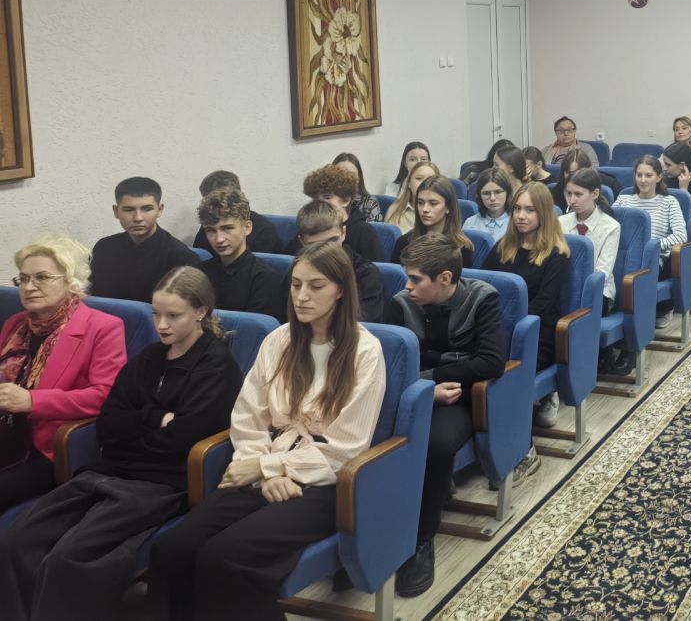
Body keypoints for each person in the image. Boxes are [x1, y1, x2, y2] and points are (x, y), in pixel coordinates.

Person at [148, 242, 387, 621]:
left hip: (324, 483)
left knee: (223, 556)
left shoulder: (365, 351)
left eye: (316, 286)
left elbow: (346, 448)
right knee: (173, 547)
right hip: (263, 464)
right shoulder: (278, 340)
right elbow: (248, 417)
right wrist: (264, 467)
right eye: (296, 285)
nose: (301, 296)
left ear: (341, 290)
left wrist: (270, 468)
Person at [0, 267, 240, 620]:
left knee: (70, 556)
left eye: (173, 316)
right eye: (156, 314)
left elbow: (182, 440)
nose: (161, 325)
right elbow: (109, 423)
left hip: (160, 482)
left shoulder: (216, 367)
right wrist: (157, 418)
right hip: (107, 469)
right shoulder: (150, 357)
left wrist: (138, 424)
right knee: (16, 540)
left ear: (200, 312)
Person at [384, 234, 507, 597]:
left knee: (435, 444)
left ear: (445, 279)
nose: (407, 286)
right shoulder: (400, 304)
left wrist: (431, 374)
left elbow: (491, 362)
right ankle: (375, 531)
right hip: (413, 392)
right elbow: (391, 364)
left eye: (415, 279)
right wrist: (430, 383)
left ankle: (422, 540)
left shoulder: (482, 298)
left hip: (461, 398)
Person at [0, 237, 127, 512]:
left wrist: (32, 401)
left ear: (71, 282)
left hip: (49, 446)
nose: (29, 287)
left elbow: (106, 395)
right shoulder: (15, 324)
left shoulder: (103, 328)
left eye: (42, 277)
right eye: (23, 279)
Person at [483, 182, 569, 430]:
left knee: (498, 369)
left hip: (536, 332)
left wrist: (504, 324)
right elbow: (483, 285)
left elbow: (543, 304)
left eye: (530, 210)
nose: (521, 216)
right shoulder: (503, 246)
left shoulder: (557, 253)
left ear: (544, 213)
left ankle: (542, 397)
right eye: (517, 209)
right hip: (498, 327)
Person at [90, 177, 199, 302]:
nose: (138, 218)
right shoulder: (104, 248)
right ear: (116, 211)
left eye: (147, 209)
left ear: (160, 210)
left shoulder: (181, 257)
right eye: (128, 210)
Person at [616, 155, 688, 332]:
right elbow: (610, 227)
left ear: (658, 177)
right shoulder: (624, 200)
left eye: (648, 175)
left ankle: (641, 324)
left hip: (652, 259)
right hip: (624, 257)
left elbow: (681, 236)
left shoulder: (669, 202)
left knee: (635, 281)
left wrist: (653, 246)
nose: (643, 180)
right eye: (639, 175)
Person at [290, 201, 386, 323]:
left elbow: (363, 324)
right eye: (315, 246)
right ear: (302, 242)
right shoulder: (297, 272)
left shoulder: (365, 274)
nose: (326, 251)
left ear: (343, 233)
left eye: (332, 241)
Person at [196, 189, 282, 320]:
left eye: (227, 228)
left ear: (247, 228)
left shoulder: (263, 279)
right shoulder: (199, 273)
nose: (219, 239)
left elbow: (257, 329)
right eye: (211, 230)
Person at [287, 164, 384, 262]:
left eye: (327, 197)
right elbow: (289, 261)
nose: (320, 203)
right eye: (315, 198)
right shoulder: (310, 226)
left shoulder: (363, 232)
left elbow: (375, 267)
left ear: (346, 200)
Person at [558, 169, 620, 309]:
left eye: (578, 194)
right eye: (569, 194)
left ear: (595, 194)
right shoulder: (560, 222)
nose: (572, 200)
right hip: (565, 287)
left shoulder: (611, 227)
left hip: (598, 291)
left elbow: (602, 273)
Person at [391, 175, 475, 267]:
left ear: (448, 207)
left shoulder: (462, 247)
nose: (425, 209)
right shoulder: (404, 242)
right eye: (420, 203)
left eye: (433, 203)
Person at [193, 171, 283, 255]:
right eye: (211, 203)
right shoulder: (210, 224)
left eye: (227, 228)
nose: (219, 239)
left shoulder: (264, 231)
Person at [551, 147, 620, 211]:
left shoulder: (611, 184)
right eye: (569, 173)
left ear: (589, 169)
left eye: (578, 172)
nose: (574, 177)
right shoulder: (553, 193)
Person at [385, 159, 440, 232]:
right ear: (409, 183)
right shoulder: (394, 210)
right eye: (419, 178)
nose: (424, 183)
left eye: (430, 180)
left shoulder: (443, 212)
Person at [462, 167, 513, 239]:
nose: (492, 198)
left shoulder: (516, 222)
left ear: (507, 193)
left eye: (498, 192)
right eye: (486, 193)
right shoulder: (470, 223)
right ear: (480, 195)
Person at [331, 153, 384, 222]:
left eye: (351, 175)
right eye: (340, 174)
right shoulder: (325, 201)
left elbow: (374, 228)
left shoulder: (369, 203)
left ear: (358, 179)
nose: (345, 178)